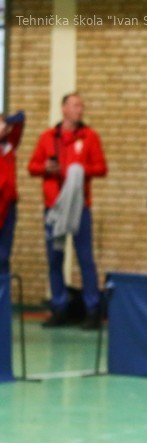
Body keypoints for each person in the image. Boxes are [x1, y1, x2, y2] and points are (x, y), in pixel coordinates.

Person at [27, 92, 107, 329]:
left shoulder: (90, 136)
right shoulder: (48, 137)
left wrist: (77, 170)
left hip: (80, 207)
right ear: (64, 109)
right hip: (54, 207)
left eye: (81, 106)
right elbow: (32, 166)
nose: (79, 109)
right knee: (55, 258)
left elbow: (101, 167)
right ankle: (59, 307)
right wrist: (46, 167)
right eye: (75, 105)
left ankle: (92, 308)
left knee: (85, 258)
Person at [0, 111, 26, 275]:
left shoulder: (10, 145)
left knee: (4, 254)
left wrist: (7, 121)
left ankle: (3, 288)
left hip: (9, 204)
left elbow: (21, 119)